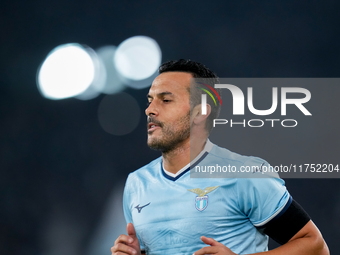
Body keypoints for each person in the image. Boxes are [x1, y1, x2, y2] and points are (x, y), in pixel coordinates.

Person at [111, 59, 329, 255]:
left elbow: (315, 246)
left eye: (165, 100)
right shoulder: (136, 184)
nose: (150, 109)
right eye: (149, 100)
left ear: (200, 112)